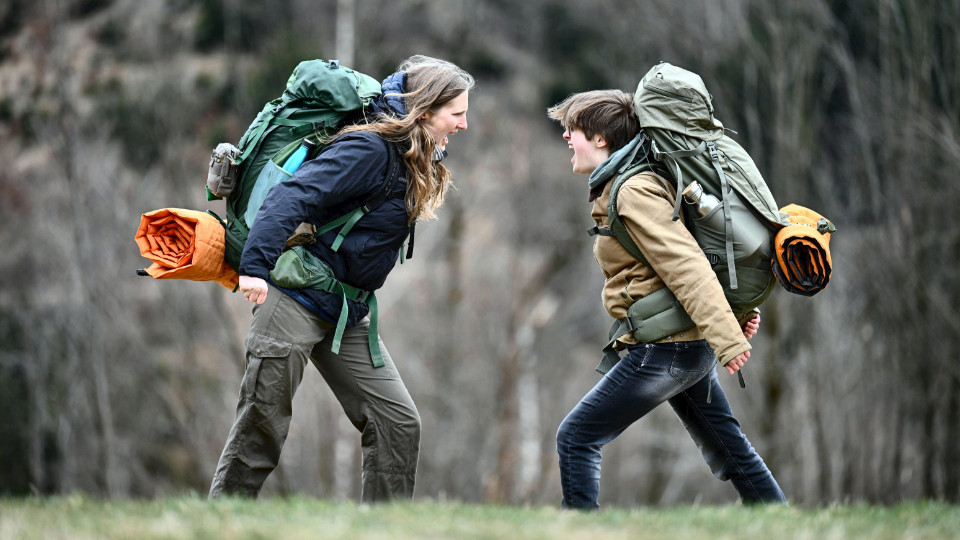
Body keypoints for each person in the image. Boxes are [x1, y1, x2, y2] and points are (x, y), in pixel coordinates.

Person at [209, 55, 474, 502]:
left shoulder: (410, 155)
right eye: (457, 113)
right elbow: (292, 195)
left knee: (396, 423)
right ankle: (219, 523)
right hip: (294, 297)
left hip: (346, 311)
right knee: (262, 424)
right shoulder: (370, 150)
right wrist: (254, 267)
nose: (464, 124)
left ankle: (383, 530)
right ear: (425, 110)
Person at [547, 90, 786, 509]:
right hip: (685, 346)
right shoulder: (628, 183)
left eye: (573, 129)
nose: (566, 136)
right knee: (731, 451)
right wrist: (730, 319)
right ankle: (781, 523)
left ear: (601, 138)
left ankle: (580, 533)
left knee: (577, 437)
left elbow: (687, 266)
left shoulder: (634, 190)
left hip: (669, 350)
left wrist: (728, 337)